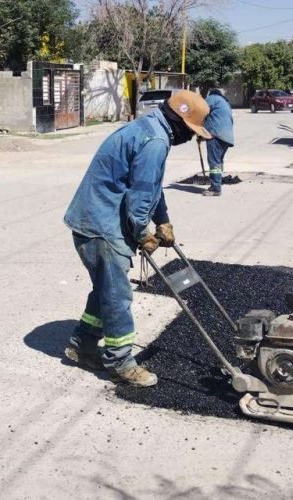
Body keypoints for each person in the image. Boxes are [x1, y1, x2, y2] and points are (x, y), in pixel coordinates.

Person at [62, 90, 212, 387]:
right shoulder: (155, 140)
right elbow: (139, 200)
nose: (188, 138)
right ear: (180, 122)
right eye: (191, 131)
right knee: (117, 295)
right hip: (101, 226)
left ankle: (82, 344)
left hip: (93, 219)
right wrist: (144, 234)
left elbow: (150, 185)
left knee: (107, 288)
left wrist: (164, 220)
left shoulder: (150, 129)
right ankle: (120, 362)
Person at [201, 88, 234, 197]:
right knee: (218, 161)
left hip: (216, 135)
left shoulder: (212, 98)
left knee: (214, 162)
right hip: (227, 137)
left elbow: (202, 112)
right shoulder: (225, 102)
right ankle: (217, 183)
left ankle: (215, 188)